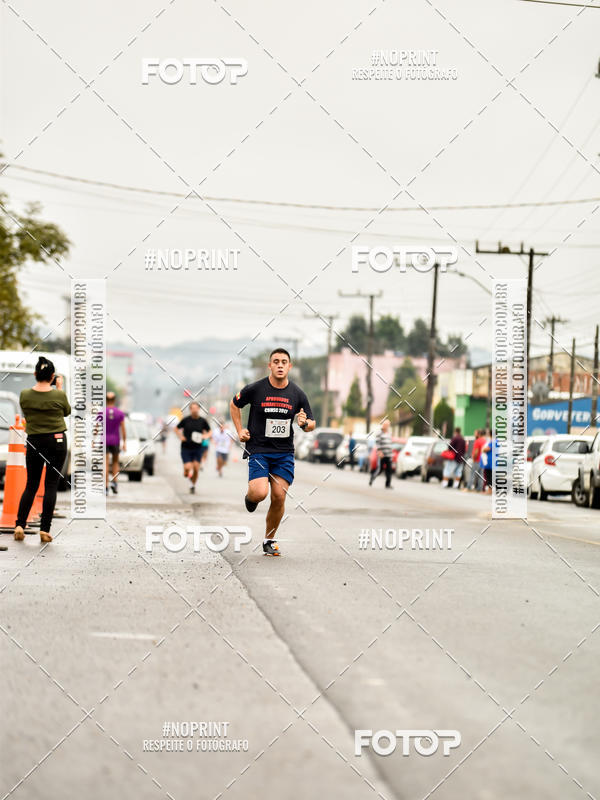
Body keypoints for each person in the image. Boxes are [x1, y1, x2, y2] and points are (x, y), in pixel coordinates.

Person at [230, 348, 315, 556]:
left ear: (289, 366)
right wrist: (240, 430)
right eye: (276, 361)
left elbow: (311, 423)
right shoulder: (255, 389)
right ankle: (250, 498)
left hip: (283, 453)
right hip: (259, 449)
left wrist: (304, 424)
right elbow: (234, 404)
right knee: (260, 493)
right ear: (270, 365)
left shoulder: (297, 394)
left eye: (284, 362)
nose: (280, 365)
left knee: (279, 497)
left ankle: (269, 540)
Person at [14, 357, 71, 544]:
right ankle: (44, 530)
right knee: (51, 485)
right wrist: (59, 388)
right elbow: (67, 411)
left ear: (35, 374)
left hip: (34, 440)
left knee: (31, 484)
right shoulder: (59, 395)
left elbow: (27, 413)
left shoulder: (24, 395)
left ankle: (20, 525)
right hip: (57, 440)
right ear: (53, 376)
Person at [175, 402, 210, 493]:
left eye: (196, 408)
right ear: (190, 410)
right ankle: (186, 471)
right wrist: (180, 437)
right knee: (188, 467)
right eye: (193, 408)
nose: (194, 410)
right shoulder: (186, 420)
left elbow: (210, 431)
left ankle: (192, 485)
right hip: (186, 447)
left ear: (199, 409)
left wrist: (205, 436)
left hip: (198, 448)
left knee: (196, 468)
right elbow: (176, 428)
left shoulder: (203, 421)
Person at [97, 392, 126, 495]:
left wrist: (94, 440)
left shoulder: (101, 412)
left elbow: (96, 428)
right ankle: (114, 482)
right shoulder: (120, 413)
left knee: (105, 464)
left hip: (104, 440)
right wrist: (124, 442)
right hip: (115, 440)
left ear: (106, 400)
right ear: (114, 400)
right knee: (115, 462)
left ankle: (105, 487)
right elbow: (123, 429)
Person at [369, 420, 394, 489]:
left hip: (389, 454)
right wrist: (379, 452)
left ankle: (388, 484)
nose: (387, 426)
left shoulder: (389, 433)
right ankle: (372, 478)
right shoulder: (379, 433)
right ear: (383, 425)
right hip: (382, 455)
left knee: (389, 470)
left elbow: (390, 443)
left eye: (388, 425)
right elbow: (378, 443)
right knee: (380, 469)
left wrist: (391, 453)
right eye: (385, 425)